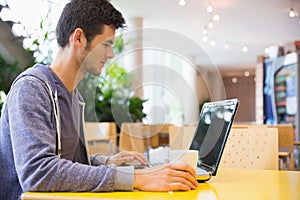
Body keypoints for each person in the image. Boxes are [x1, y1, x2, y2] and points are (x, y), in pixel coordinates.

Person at [0, 0, 198, 199]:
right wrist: (136, 178)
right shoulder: (32, 88)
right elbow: (38, 173)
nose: (111, 54)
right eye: (106, 44)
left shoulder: (73, 96)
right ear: (79, 38)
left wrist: (106, 162)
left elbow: (68, 162)